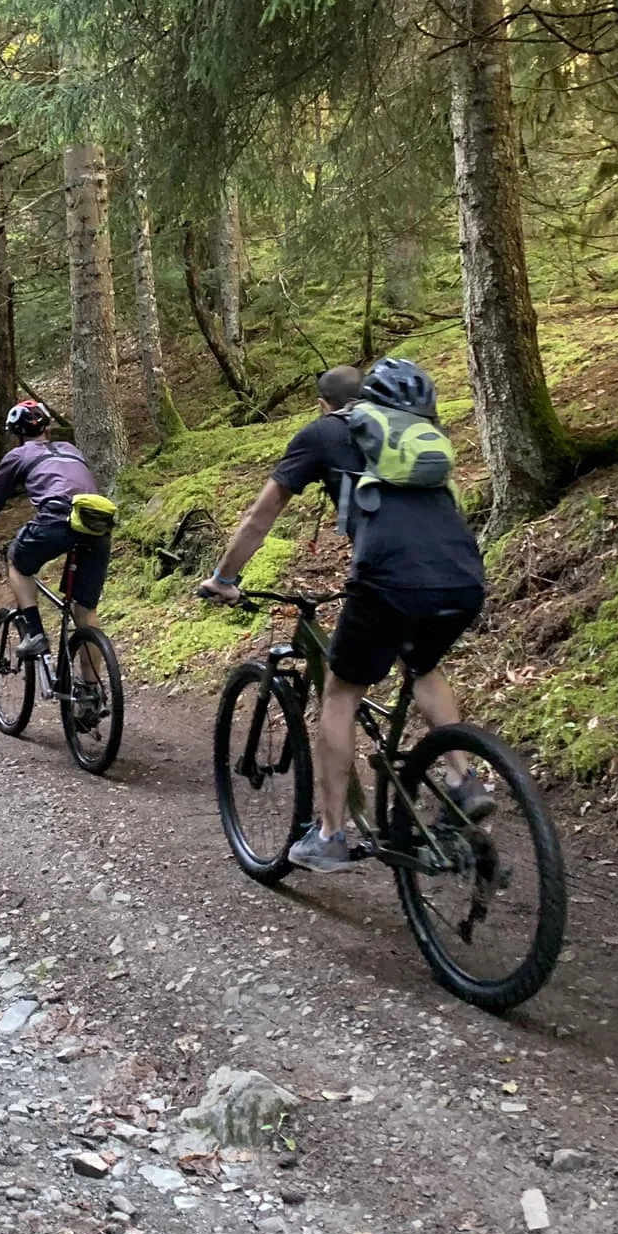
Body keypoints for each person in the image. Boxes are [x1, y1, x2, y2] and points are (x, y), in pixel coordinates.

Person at [198, 358, 488, 871]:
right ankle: (463, 778)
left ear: (325, 403)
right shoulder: (419, 436)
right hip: (464, 575)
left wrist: (224, 578)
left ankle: (330, 835)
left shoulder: (323, 433)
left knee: (341, 691)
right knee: (422, 664)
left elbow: (259, 516)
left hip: (389, 579)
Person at [0, 400, 111, 658]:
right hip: (97, 524)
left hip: (56, 519)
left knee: (17, 562)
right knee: (85, 610)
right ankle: (91, 692)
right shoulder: (71, 449)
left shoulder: (18, 455)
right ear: (47, 426)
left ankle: (35, 633)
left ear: (18, 433)